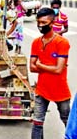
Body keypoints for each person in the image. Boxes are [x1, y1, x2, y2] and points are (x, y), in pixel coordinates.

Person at [30, 8, 71, 139]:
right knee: (37, 122)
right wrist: (50, 67)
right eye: (39, 22)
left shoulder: (62, 42)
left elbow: (58, 70)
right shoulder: (36, 42)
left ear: (52, 23)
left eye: (44, 22)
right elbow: (31, 67)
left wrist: (41, 65)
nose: (40, 25)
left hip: (60, 90)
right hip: (42, 89)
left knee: (67, 121)